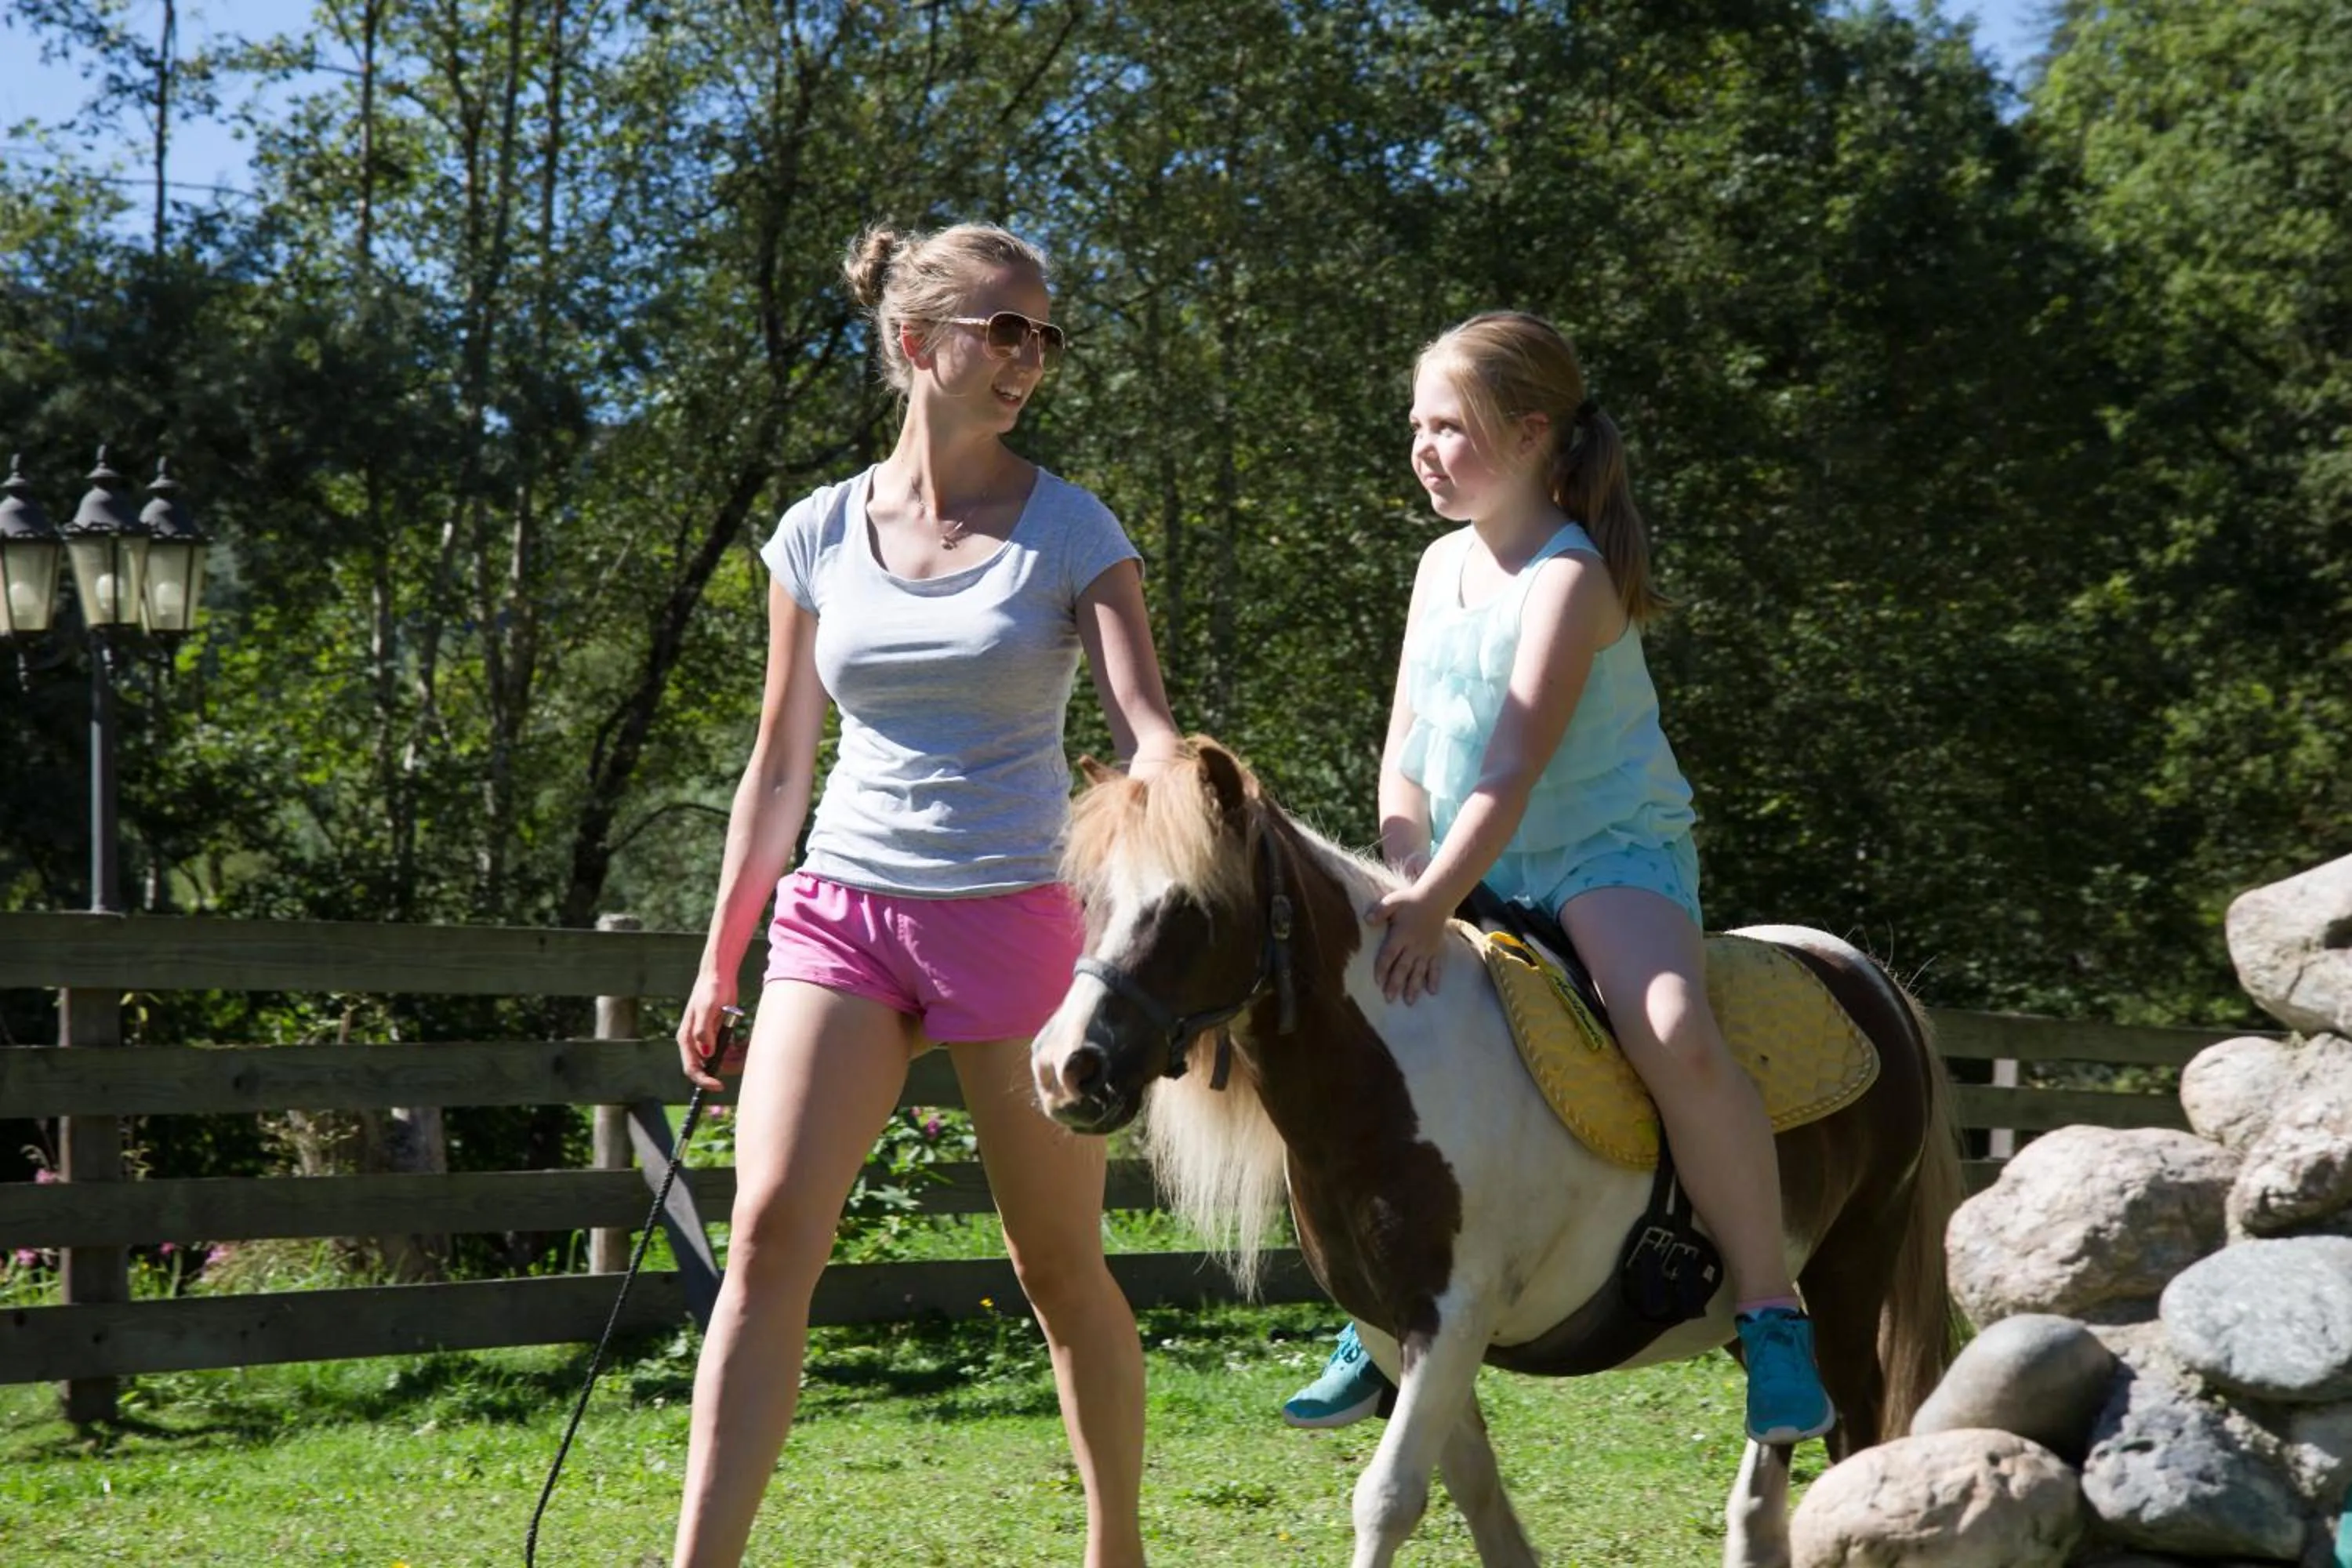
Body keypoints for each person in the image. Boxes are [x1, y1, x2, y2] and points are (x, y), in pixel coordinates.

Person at [670, 221, 1181, 1568]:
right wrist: (724, 958)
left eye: (1045, 334)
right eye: (1002, 329)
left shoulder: (1074, 531)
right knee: (771, 1236)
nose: (1030, 358)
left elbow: (1148, 731)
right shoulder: (817, 533)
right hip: (842, 910)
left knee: (1057, 1269)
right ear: (916, 341)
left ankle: (1115, 1548)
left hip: (1018, 917)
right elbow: (779, 767)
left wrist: (1184, 813)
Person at [1279, 310, 1834, 1447]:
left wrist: (1436, 902)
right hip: (1463, 857)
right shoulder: (1438, 568)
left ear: (1533, 435)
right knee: (1394, 1041)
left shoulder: (1571, 576)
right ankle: (1379, 1320)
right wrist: (1406, 871)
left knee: (1670, 1028)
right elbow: (1405, 753)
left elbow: (1513, 768)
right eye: (1419, 426)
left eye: (1455, 427)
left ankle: (1773, 1315)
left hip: (1598, 850)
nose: (1427, 448)